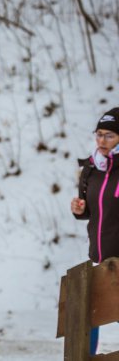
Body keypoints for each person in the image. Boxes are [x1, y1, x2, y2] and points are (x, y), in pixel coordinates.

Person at [71, 107, 119, 356]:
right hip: (100, 257)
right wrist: (80, 209)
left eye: (109, 135)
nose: (102, 140)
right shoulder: (91, 169)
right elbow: (92, 210)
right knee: (89, 314)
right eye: (99, 134)